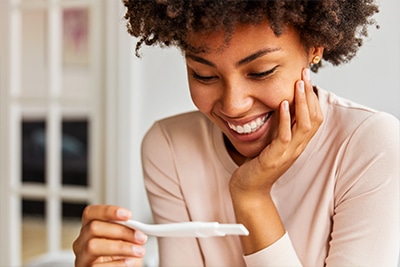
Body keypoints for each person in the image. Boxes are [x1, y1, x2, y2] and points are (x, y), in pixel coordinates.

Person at [73, 1, 399, 266]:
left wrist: (252, 196)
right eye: (203, 75)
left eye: (261, 72)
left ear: (315, 47)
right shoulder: (170, 147)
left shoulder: (370, 146)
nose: (234, 105)